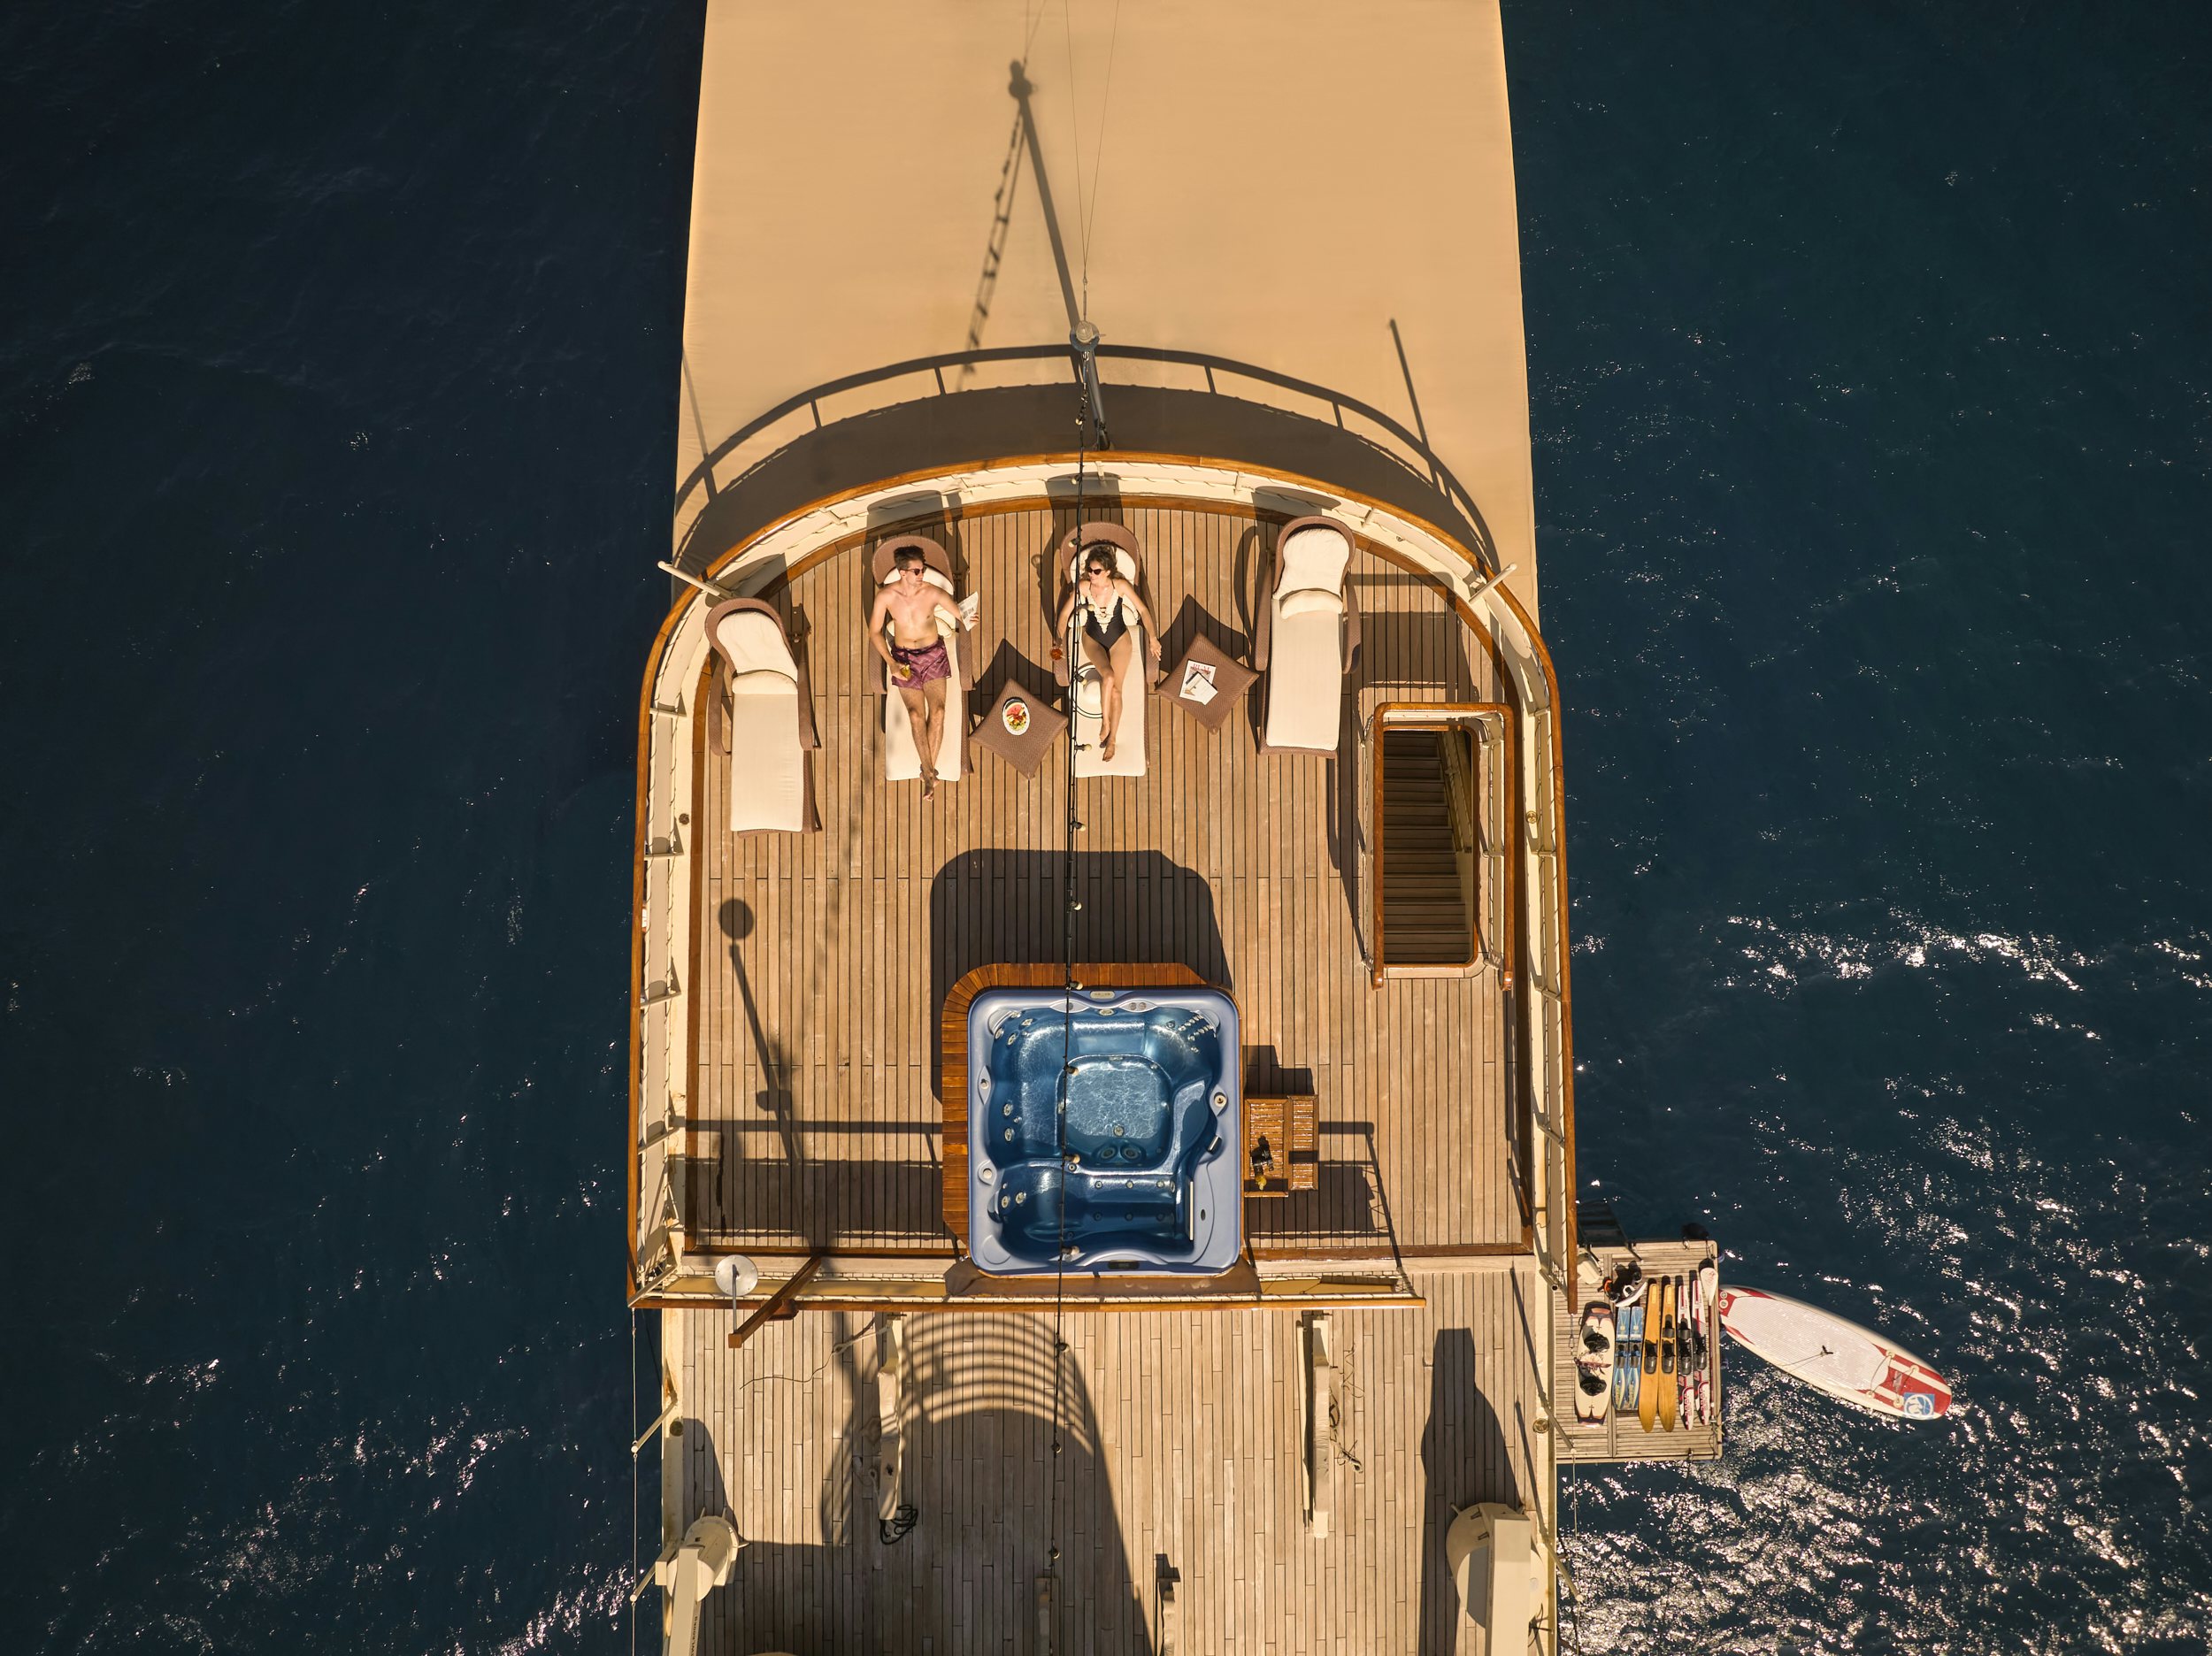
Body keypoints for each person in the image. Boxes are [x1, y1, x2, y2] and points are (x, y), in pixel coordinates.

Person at [865, 548, 970, 797]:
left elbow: (959, 612)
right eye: (917, 571)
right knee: (914, 715)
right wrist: (891, 663)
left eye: (922, 569)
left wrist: (969, 618)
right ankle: (929, 773)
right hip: (903, 658)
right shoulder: (886, 597)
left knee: (939, 712)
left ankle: (928, 773)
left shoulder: (932, 592)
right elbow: (874, 632)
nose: (923, 574)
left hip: (933, 653)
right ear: (902, 573)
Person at [1055, 543, 1161, 763]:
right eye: (1089, 571)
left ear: (1108, 572)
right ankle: (1105, 721)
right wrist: (1058, 641)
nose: (1091, 575)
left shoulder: (1119, 585)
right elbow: (1065, 615)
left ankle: (1112, 739)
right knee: (1108, 676)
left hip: (1119, 639)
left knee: (1116, 692)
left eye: (1096, 571)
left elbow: (1142, 610)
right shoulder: (1083, 588)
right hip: (1092, 638)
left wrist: (1152, 638)